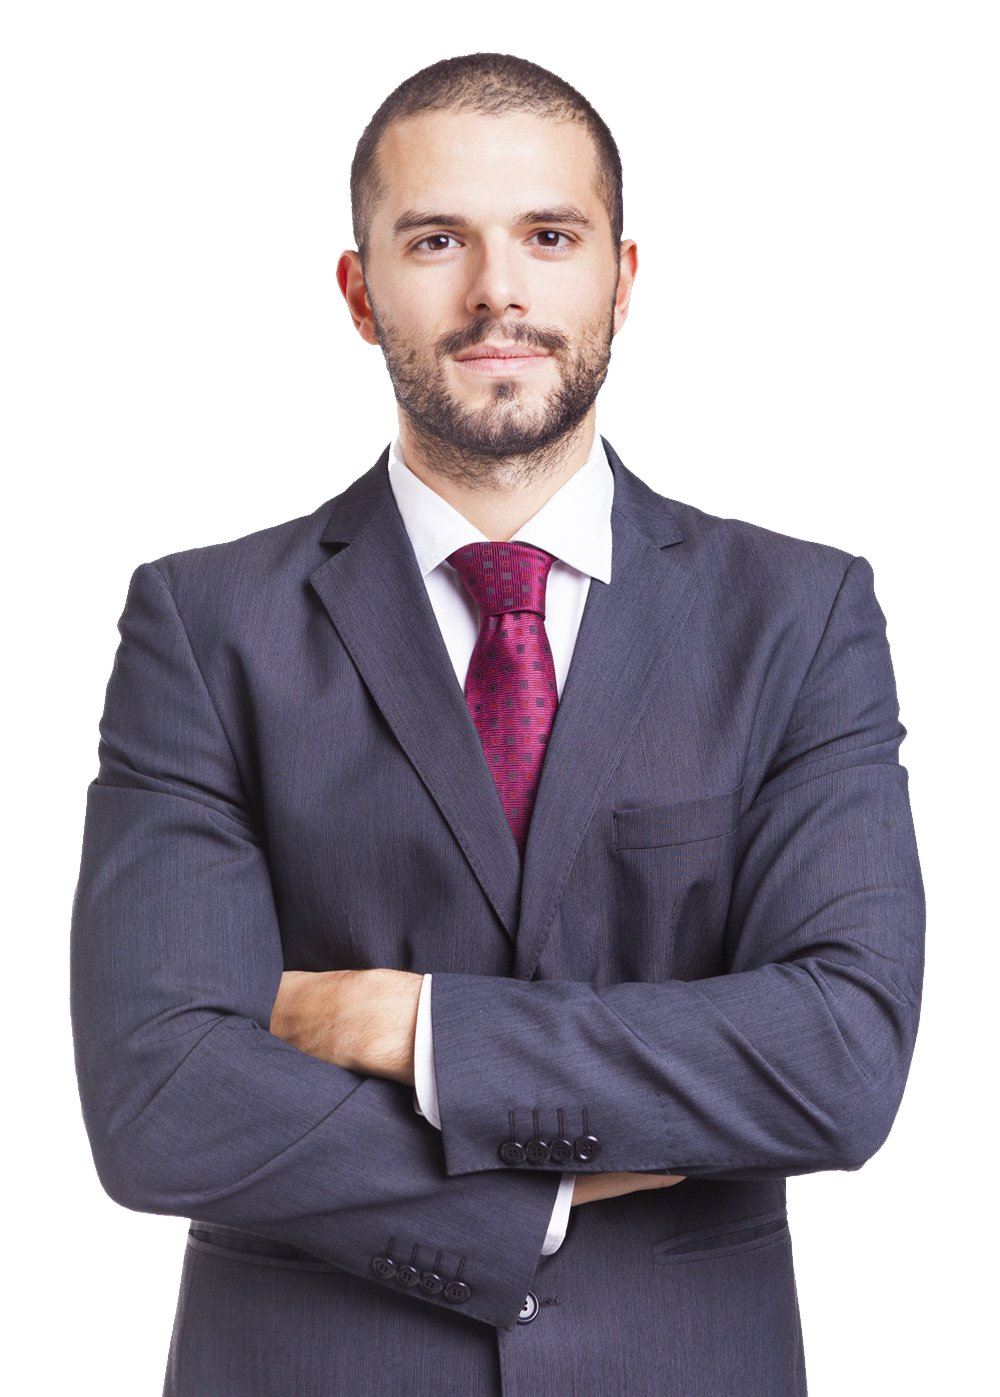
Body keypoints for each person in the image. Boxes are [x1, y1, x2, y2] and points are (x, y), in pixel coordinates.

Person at [68, 49, 926, 1397]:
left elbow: (839, 1063)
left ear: (622, 277)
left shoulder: (801, 616)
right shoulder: (203, 624)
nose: (497, 293)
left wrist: (413, 1028)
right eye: (434, 240)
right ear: (359, 291)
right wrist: (536, 1198)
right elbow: (157, 1100)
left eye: (547, 235)